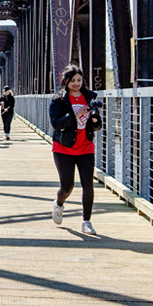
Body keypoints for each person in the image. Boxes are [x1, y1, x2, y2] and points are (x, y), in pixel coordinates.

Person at [49, 65, 102, 235]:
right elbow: (56, 123)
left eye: (79, 80)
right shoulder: (58, 99)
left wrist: (95, 119)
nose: (77, 83)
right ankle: (59, 203)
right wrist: (74, 115)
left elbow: (97, 126)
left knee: (88, 185)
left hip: (86, 146)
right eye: (73, 81)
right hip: (64, 147)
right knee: (67, 186)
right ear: (66, 81)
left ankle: (86, 221)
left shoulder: (90, 97)